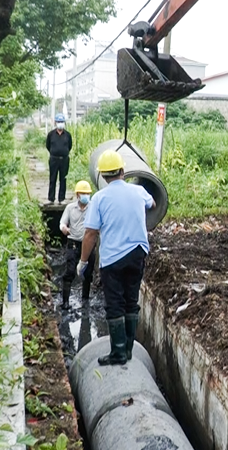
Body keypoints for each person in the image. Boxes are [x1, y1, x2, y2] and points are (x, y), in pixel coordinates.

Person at [80, 149, 156, 366]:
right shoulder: (138, 191)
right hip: (137, 252)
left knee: (115, 304)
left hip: (113, 258)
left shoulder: (99, 198)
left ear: (103, 176)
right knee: (131, 301)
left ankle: (118, 353)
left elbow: (90, 233)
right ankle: (129, 349)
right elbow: (153, 205)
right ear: (123, 171)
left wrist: (83, 261)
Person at [59, 180, 97, 310]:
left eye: (88, 193)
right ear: (77, 195)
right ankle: (65, 302)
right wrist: (64, 228)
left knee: (88, 272)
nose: (86, 196)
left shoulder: (93, 207)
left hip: (89, 244)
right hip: (73, 243)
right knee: (70, 271)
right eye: (83, 193)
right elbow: (62, 223)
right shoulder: (70, 208)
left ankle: (85, 300)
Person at [46, 113, 72, 204]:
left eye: (62, 122)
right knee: (52, 179)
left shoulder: (68, 135)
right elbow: (48, 146)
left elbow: (70, 146)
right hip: (54, 159)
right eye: (58, 122)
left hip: (64, 160)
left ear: (64, 123)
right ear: (55, 122)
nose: (60, 123)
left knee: (63, 179)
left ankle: (61, 199)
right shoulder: (51, 134)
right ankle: (51, 199)